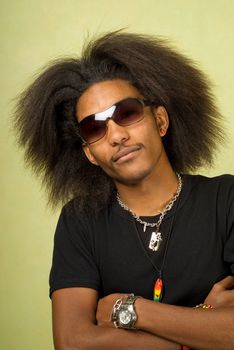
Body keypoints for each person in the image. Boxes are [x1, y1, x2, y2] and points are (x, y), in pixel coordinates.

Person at [14, 31, 234, 349]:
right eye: (95, 128)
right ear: (89, 153)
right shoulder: (80, 220)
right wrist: (202, 327)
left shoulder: (226, 199)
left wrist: (131, 310)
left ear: (160, 120)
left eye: (126, 113)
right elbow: (73, 342)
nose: (116, 135)